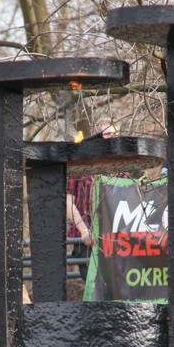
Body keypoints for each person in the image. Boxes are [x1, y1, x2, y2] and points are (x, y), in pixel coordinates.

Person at [66, 120, 117, 281]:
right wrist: (83, 230)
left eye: (115, 134)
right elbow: (68, 201)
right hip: (85, 237)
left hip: (113, 238)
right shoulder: (81, 166)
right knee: (90, 279)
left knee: (113, 281)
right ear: (98, 136)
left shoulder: (120, 168)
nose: (111, 138)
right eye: (107, 134)